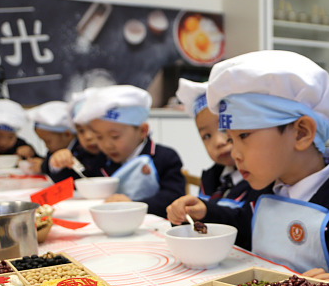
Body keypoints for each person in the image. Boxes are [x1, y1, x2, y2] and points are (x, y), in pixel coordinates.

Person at [205, 50, 329, 286]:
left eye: (243, 136)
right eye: (230, 138)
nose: (234, 153)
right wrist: (205, 212)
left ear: (302, 133)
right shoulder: (261, 189)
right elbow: (245, 224)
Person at [166, 78, 265, 249]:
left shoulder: (262, 179)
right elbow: (199, 227)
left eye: (224, 129)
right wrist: (183, 216)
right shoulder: (211, 178)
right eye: (206, 136)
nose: (218, 141)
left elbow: (249, 226)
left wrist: (206, 211)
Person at [73, 85, 185, 218]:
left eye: (115, 136)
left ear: (143, 131)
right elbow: (83, 181)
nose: (106, 145)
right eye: (99, 137)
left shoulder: (165, 158)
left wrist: (133, 205)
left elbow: (173, 198)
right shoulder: (102, 159)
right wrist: (61, 165)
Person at [27, 101, 79, 180]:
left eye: (48, 141)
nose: (46, 145)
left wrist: (43, 166)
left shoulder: (80, 150)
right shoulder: (56, 148)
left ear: (67, 135)